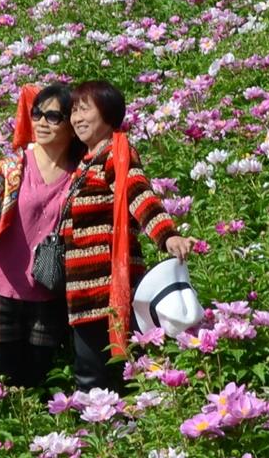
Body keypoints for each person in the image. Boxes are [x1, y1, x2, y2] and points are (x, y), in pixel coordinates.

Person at [60, 80, 194, 392]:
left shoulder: (116, 154)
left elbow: (138, 194)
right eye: (74, 112)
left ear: (108, 113)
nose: (77, 118)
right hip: (82, 290)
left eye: (85, 110)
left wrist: (167, 235)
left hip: (110, 285)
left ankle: (129, 420)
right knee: (90, 371)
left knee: (120, 373)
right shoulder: (84, 163)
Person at [0, 83, 80, 389]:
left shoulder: (80, 173)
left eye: (53, 116)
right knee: (0, 384)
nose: (42, 122)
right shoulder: (13, 167)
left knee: (38, 384)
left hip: (47, 292)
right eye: (37, 114)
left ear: (71, 125)